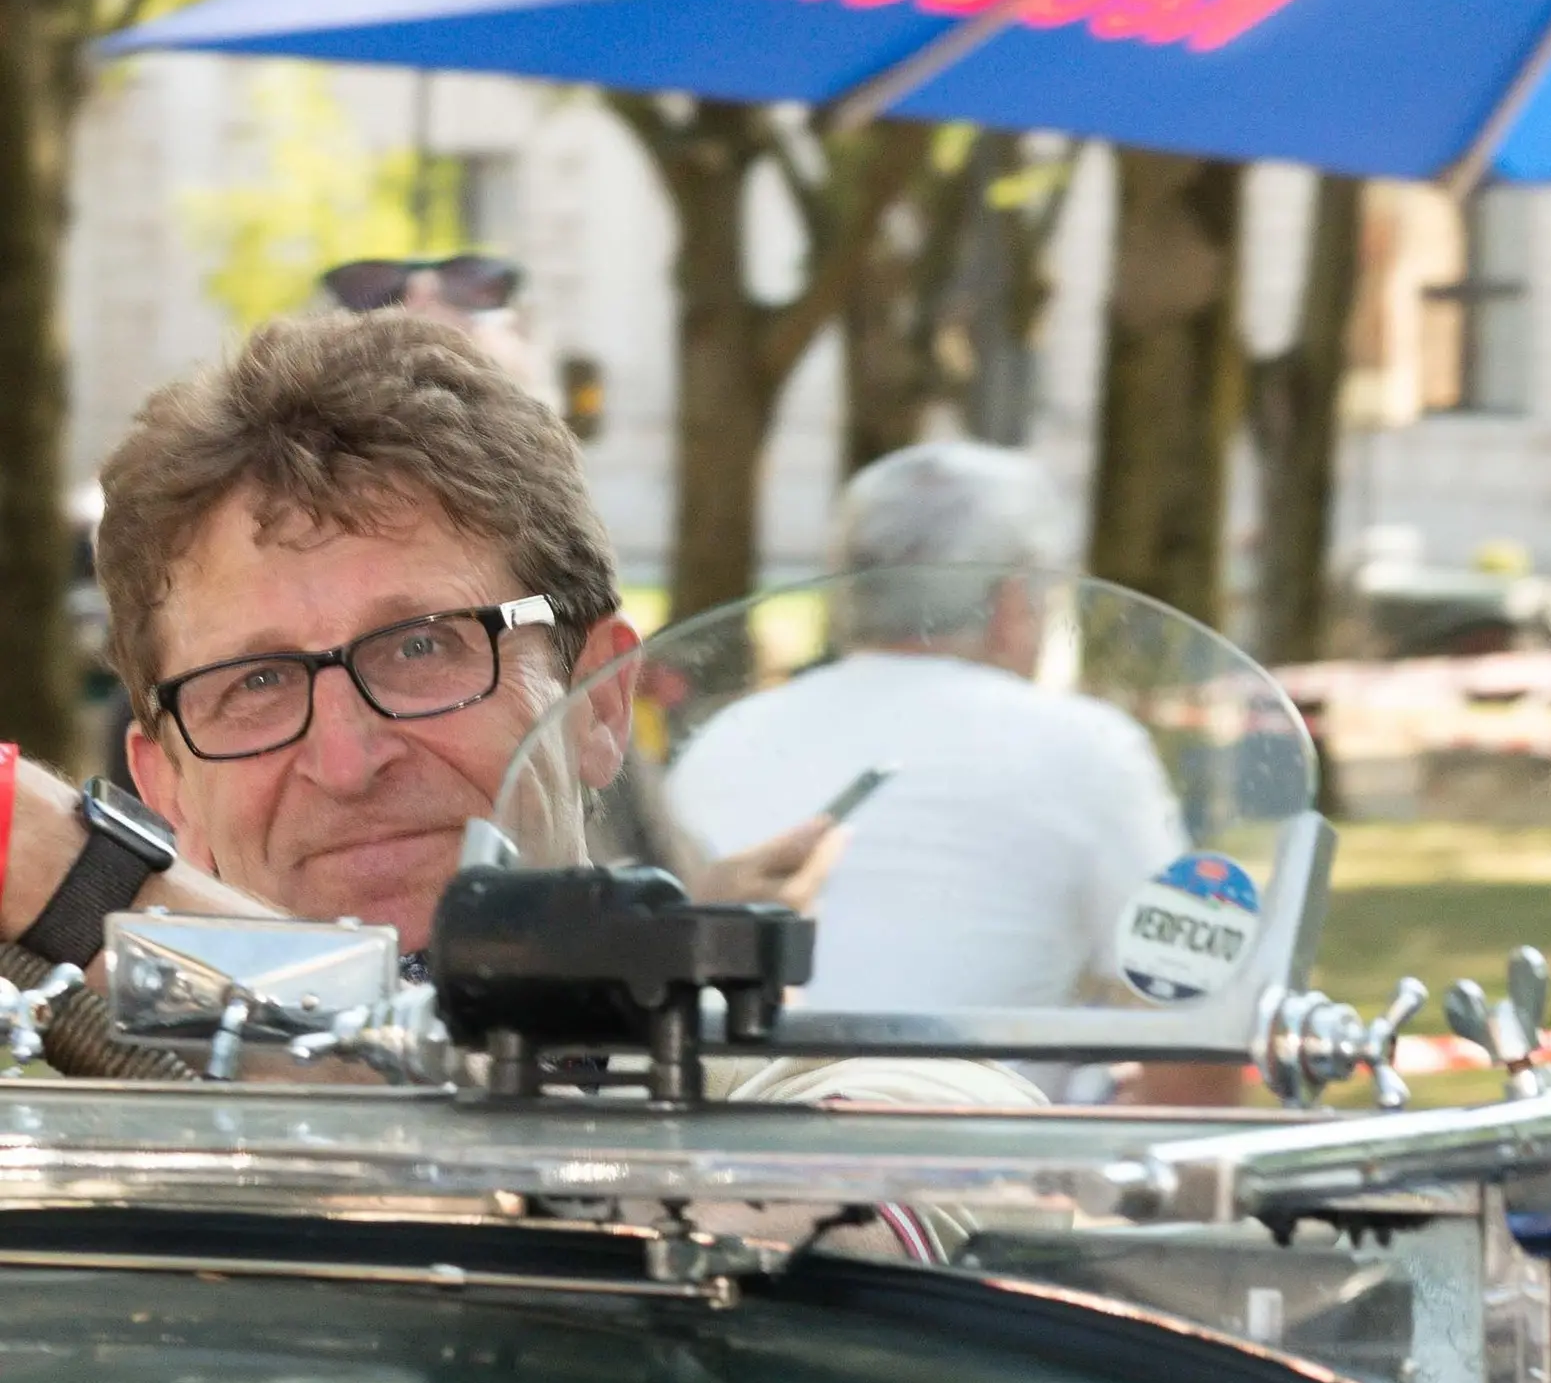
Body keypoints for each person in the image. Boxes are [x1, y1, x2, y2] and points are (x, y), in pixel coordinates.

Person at [70, 309, 823, 957]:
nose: (346, 762)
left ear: (598, 697)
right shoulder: (79, 1122)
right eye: (257, 683)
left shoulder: (799, 1111)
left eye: (420, 647)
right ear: (168, 790)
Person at [663, 441, 1185, 1020]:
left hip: (745, 1100)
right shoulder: (1089, 748)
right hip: (972, 1110)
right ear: (1013, 604)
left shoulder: (727, 736)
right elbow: (1179, 1000)